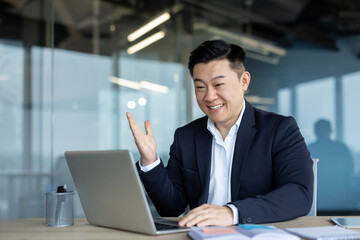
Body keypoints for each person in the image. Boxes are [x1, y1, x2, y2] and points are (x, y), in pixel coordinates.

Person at [126, 40, 313, 227]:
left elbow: (299, 194)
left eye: (219, 84)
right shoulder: (186, 137)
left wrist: (232, 213)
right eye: (200, 87)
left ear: (244, 81)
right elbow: (171, 208)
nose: (209, 96)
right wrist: (150, 162)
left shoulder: (279, 129)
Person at [308, 119, 354, 211]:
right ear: (330, 131)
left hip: (319, 196)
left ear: (315, 132)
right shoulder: (341, 147)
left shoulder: (310, 148)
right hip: (340, 196)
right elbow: (350, 169)